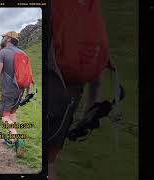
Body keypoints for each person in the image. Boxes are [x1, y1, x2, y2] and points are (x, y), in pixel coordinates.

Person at [47, 0, 110, 179]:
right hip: (72, 96)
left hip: (49, 91)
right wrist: (93, 103)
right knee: (48, 162)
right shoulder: (89, 7)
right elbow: (99, 51)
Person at [0, 31, 30, 157]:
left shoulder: (2, 53)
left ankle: (18, 140)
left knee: (4, 115)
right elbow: (27, 74)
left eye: (3, 37)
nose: (2, 38)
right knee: (12, 113)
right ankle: (13, 139)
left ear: (8, 39)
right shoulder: (23, 53)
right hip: (20, 90)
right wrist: (26, 92)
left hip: (8, 90)